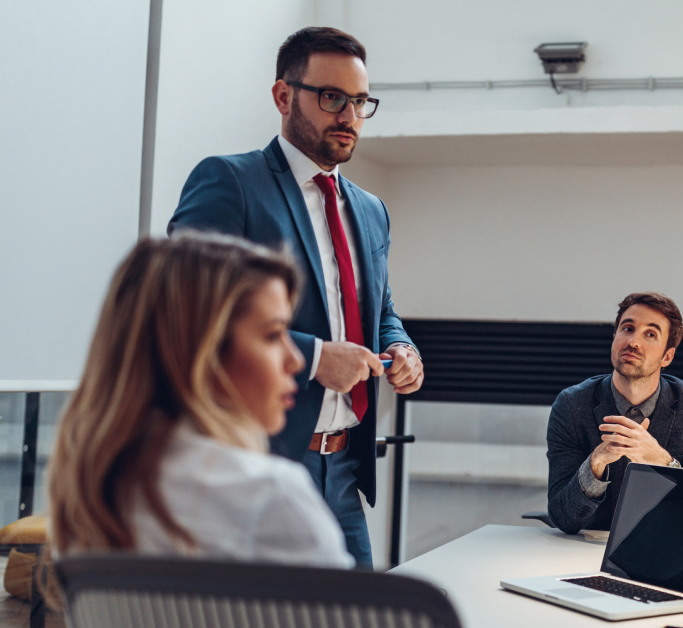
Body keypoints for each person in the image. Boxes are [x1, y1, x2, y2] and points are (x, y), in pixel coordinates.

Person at [168, 27, 422, 568]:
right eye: (332, 98)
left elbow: (381, 311)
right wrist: (312, 358)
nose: (349, 116)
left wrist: (402, 348)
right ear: (284, 96)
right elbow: (183, 312)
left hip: (346, 471)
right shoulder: (230, 182)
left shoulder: (371, 209)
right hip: (259, 462)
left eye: (360, 102)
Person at [48, 233, 353, 568]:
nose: (295, 361)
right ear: (201, 352)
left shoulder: (87, 493)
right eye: (271, 335)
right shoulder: (271, 496)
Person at [546, 292, 683, 535]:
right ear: (614, 338)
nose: (633, 342)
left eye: (650, 334)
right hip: (583, 553)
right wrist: (595, 464)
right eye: (627, 329)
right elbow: (562, 517)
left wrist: (662, 462)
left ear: (667, 356)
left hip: (662, 551)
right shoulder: (571, 404)